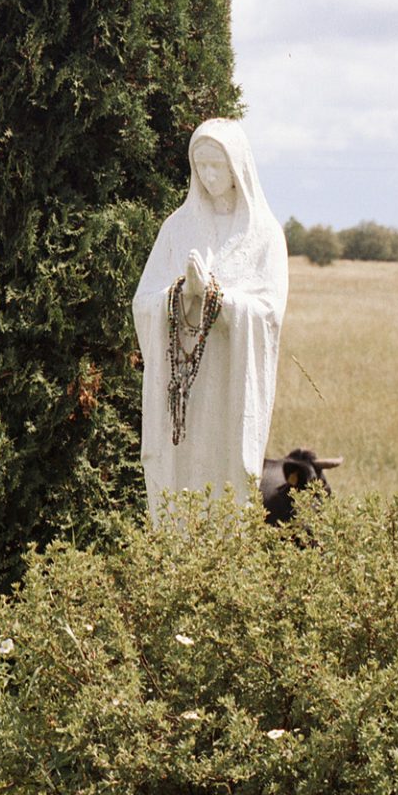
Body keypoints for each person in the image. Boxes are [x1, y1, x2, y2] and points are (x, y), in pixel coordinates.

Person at [131, 118, 288, 519]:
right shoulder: (176, 228)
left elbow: (269, 312)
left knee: (224, 482)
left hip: (229, 385)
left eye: (217, 165)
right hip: (181, 393)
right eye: (200, 166)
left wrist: (219, 298)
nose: (209, 175)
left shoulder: (265, 234)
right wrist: (181, 294)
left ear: (238, 166)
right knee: (178, 484)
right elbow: (143, 302)